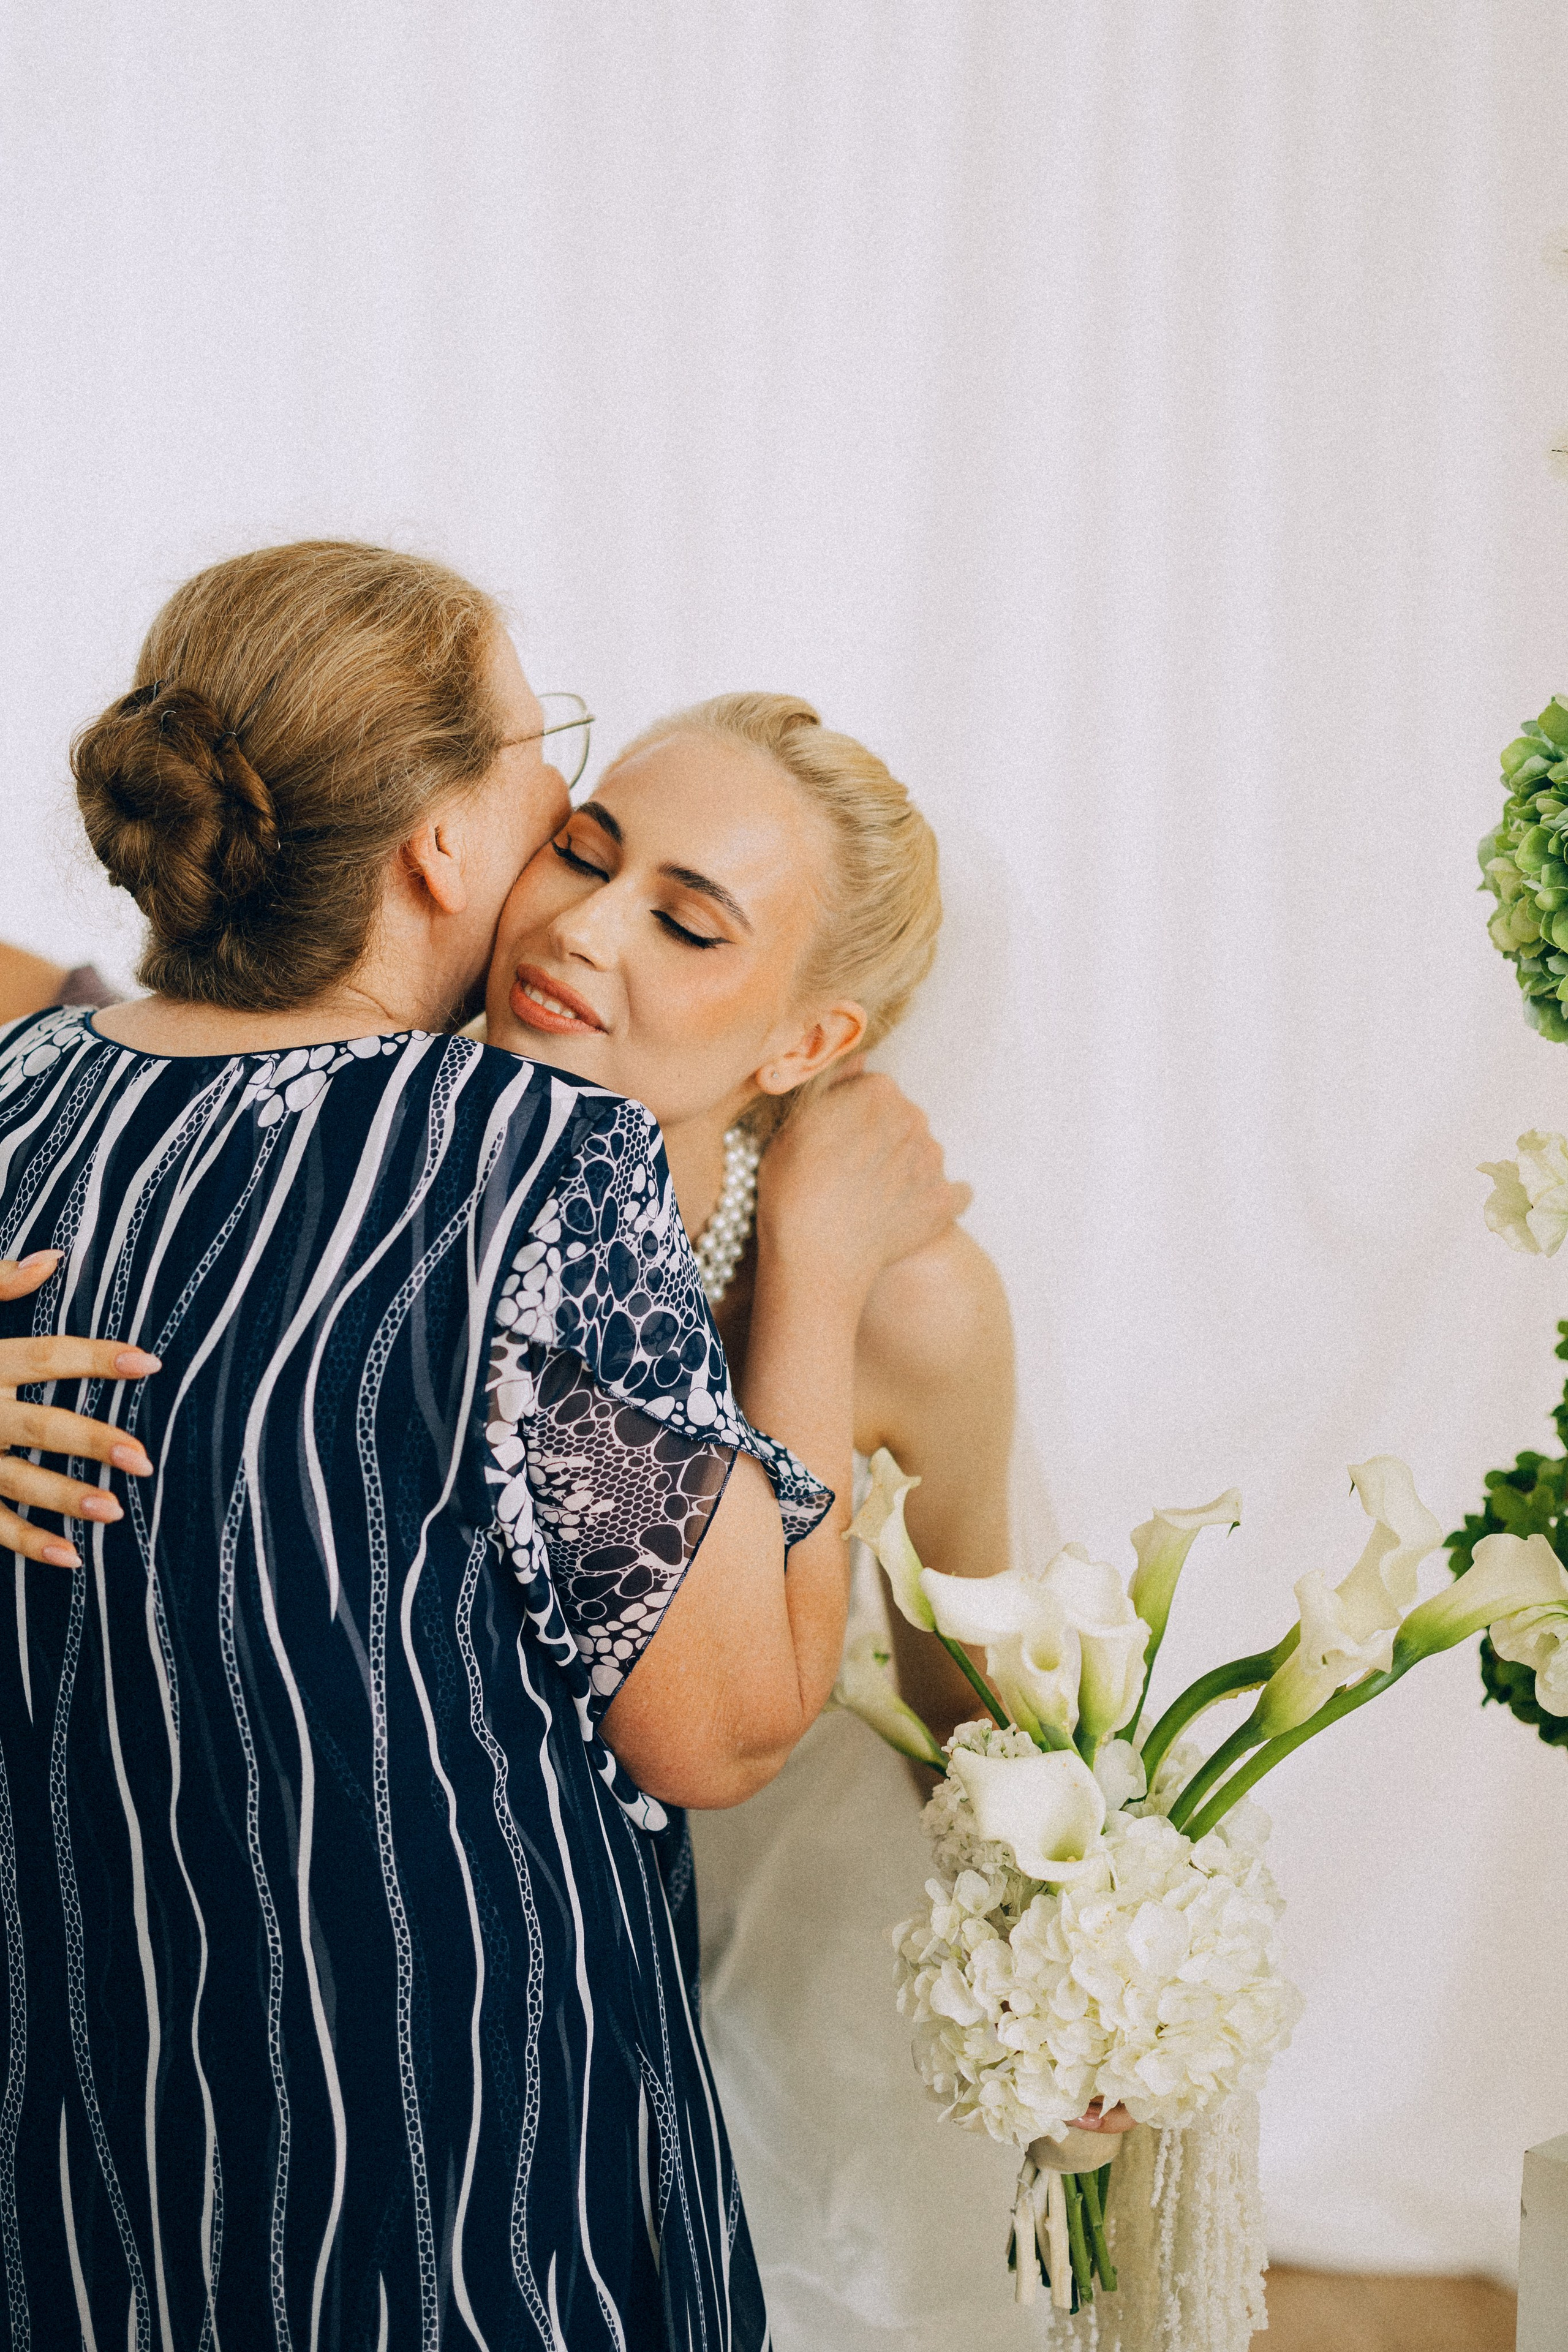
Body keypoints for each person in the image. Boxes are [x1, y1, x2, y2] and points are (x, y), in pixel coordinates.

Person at [0, 541, 962, 2349]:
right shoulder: (527, 1158)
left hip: (87, 2166)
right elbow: (723, 1727)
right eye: (555, 781)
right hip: (448, 2187)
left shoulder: (30, 1091)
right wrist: (819, 1281)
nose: (573, 892)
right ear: (444, 843)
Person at [470, 692, 1133, 2346]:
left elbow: (972, 1693)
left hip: (756, 1922)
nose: (580, 929)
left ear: (806, 1044)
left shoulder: (913, 1308)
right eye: (583, 853)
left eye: (687, 923)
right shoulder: (373, 1148)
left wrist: (1072, 1971)